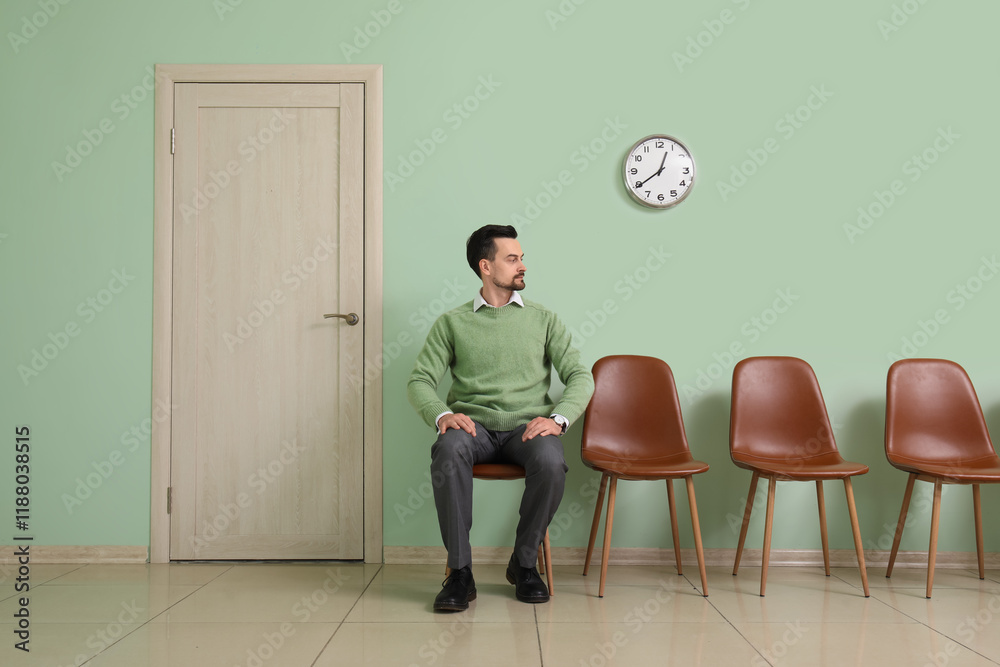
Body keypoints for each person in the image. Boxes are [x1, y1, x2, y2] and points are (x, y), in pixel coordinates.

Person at [407, 224, 594, 612]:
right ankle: (459, 572)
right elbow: (420, 380)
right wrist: (442, 414)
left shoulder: (544, 320)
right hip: (473, 429)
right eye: (513, 259)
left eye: (522, 257)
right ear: (486, 267)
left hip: (527, 429)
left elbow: (580, 376)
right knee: (447, 449)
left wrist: (558, 420)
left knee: (551, 461)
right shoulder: (452, 323)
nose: (522, 265)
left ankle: (524, 563)